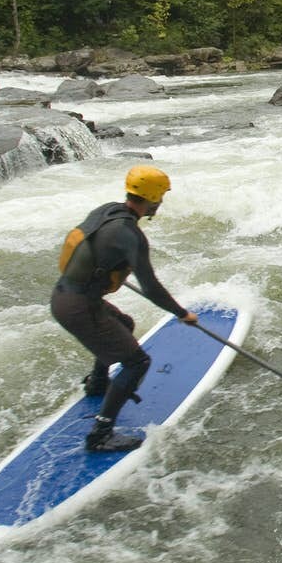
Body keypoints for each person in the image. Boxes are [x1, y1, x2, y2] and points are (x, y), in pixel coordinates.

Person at [51, 165, 198, 452]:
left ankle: (97, 383)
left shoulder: (107, 211)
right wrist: (182, 313)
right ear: (153, 198)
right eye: (161, 198)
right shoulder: (131, 235)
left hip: (64, 296)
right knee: (137, 362)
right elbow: (151, 286)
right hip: (79, 306)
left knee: (125, 324)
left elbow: (87, 247)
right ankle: (101, 433)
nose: (161, 203)